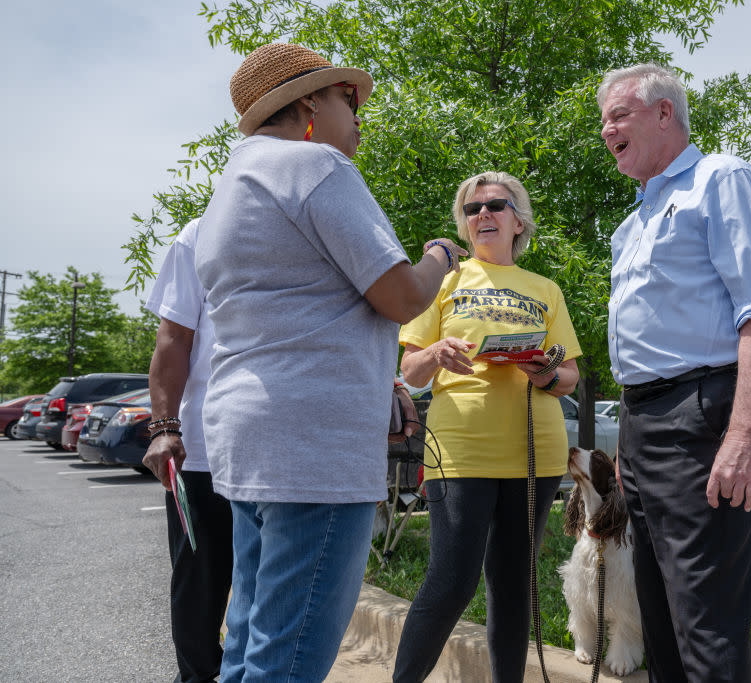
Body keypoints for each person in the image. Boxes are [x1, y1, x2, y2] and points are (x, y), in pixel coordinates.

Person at [192, 42, 465, 683]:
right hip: (313, 445)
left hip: (250, 438)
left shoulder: (229, 188)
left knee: (249, 648)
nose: (361, 112)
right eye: (349, 97)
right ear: (309, 102)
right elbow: (399, 296)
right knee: (286, 664)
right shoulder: (315, 167)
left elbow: (301, 317)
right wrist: (438, 257)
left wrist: (383, 383)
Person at [596, 63, 751, 682]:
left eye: (619, 115)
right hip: (641, 420)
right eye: (602, 121)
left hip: (700, 416)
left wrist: (743, 434)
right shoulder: (633, 221)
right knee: (659, 615)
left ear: (665, 114)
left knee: (704, 621)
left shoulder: (722, 180)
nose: (607, 130)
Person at [392, 171, 582, 683]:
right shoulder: (445, 282)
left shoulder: (546, 289)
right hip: (459, 449)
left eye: (496, 205)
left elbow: (569, 376)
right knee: (451, 581)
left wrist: (544, 371)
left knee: (513, 582)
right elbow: (409, 371)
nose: (483, 216)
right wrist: (434, 352)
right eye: (473, 210)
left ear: (519, 220)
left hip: (535, 452)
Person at [142, 217, 232, 683]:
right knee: (199, 597)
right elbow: (173, 338)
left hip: (278, 455)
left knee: (267, 602)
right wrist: (163, 426)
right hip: (202, 455)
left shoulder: (313, 219)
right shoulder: (201, 233)